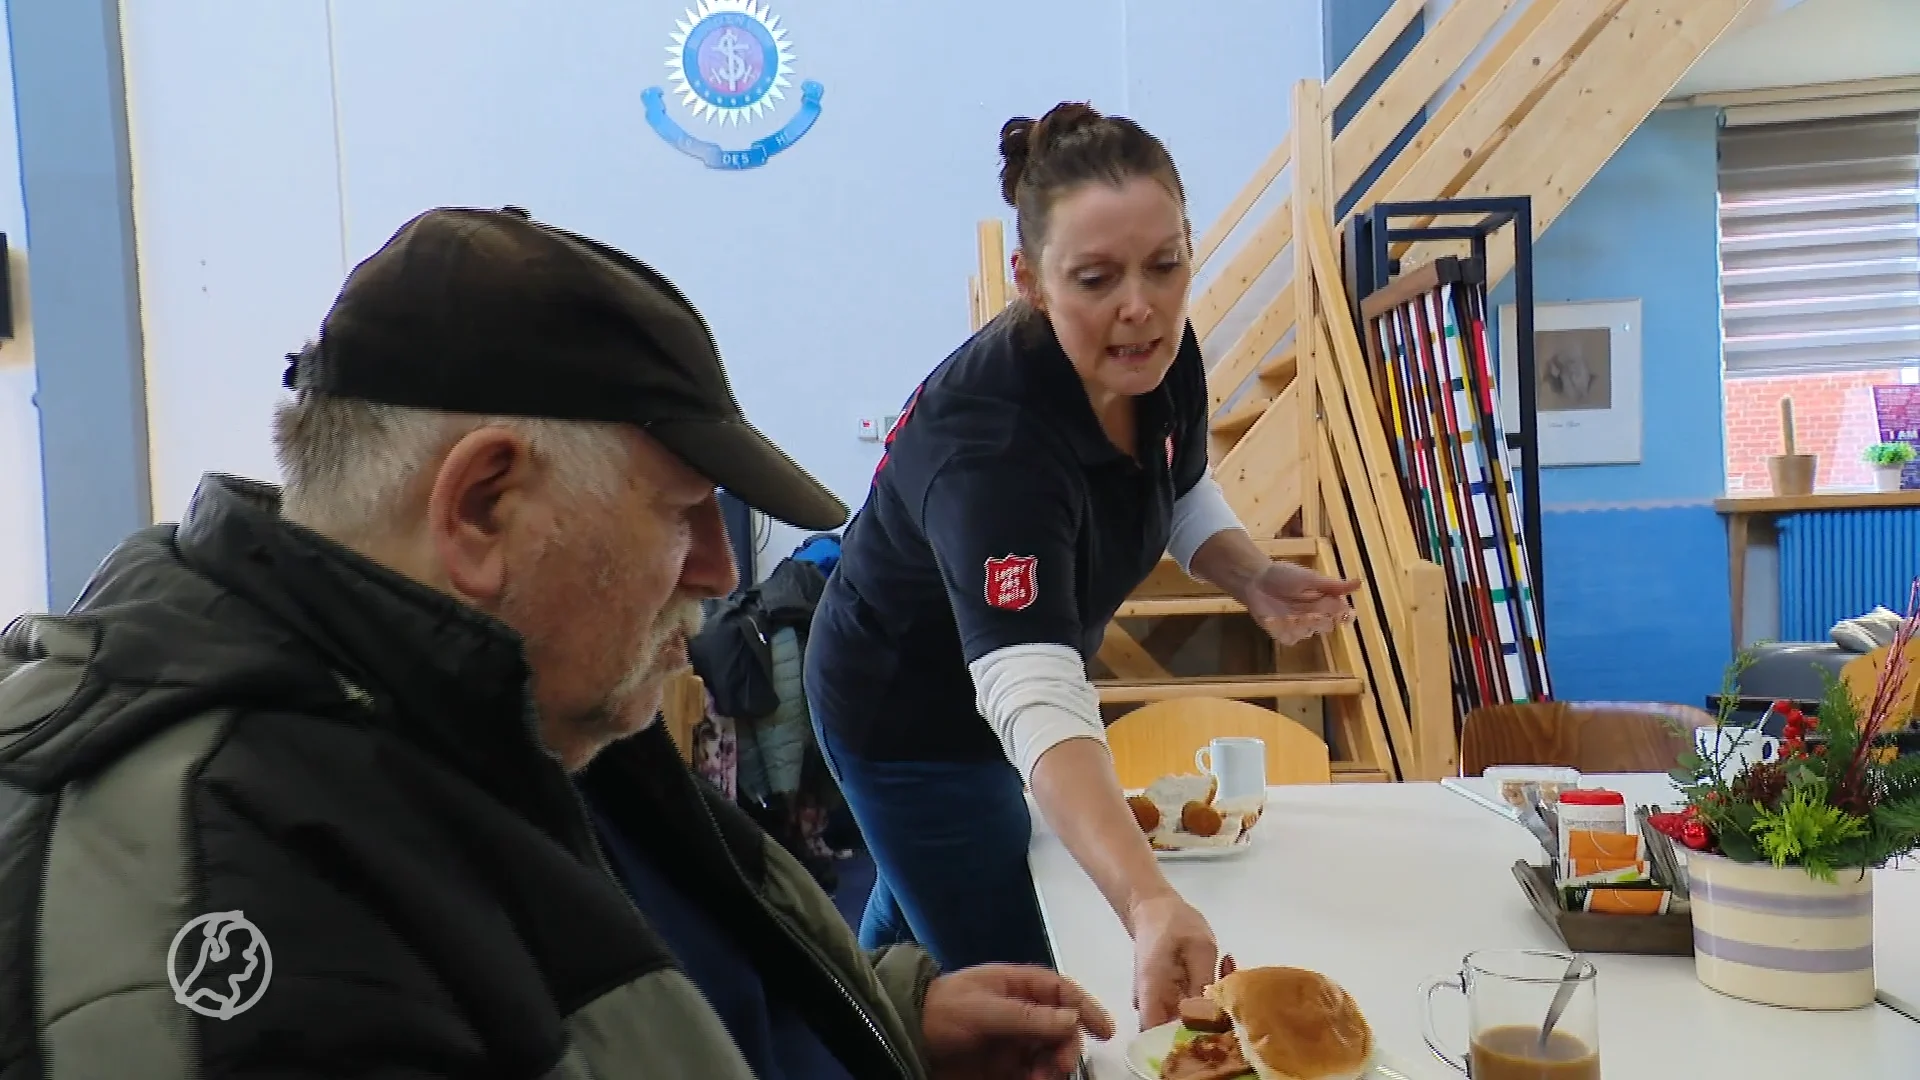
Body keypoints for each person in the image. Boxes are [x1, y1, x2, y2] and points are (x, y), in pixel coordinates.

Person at [0, 206, 1114, 1079]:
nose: (722, 573)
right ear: (483, 506)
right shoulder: (223, 881)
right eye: (681, 513)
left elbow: (669, 987)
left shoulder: (536, 703)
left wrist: (889, 1021)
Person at [804, 103, 1360, 1028]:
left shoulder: (1159, 359)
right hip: (904, 714)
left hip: (998, 705)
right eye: (1097, 278)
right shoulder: (992, 443)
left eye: (1166, 265)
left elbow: (1177, 487)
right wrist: (1146, 904)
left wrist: (1251, 575)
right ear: (1028, 278)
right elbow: (1033, 691)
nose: (1139, 305)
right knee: (1023, 1009)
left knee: (923, 910)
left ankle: (849, 1040)